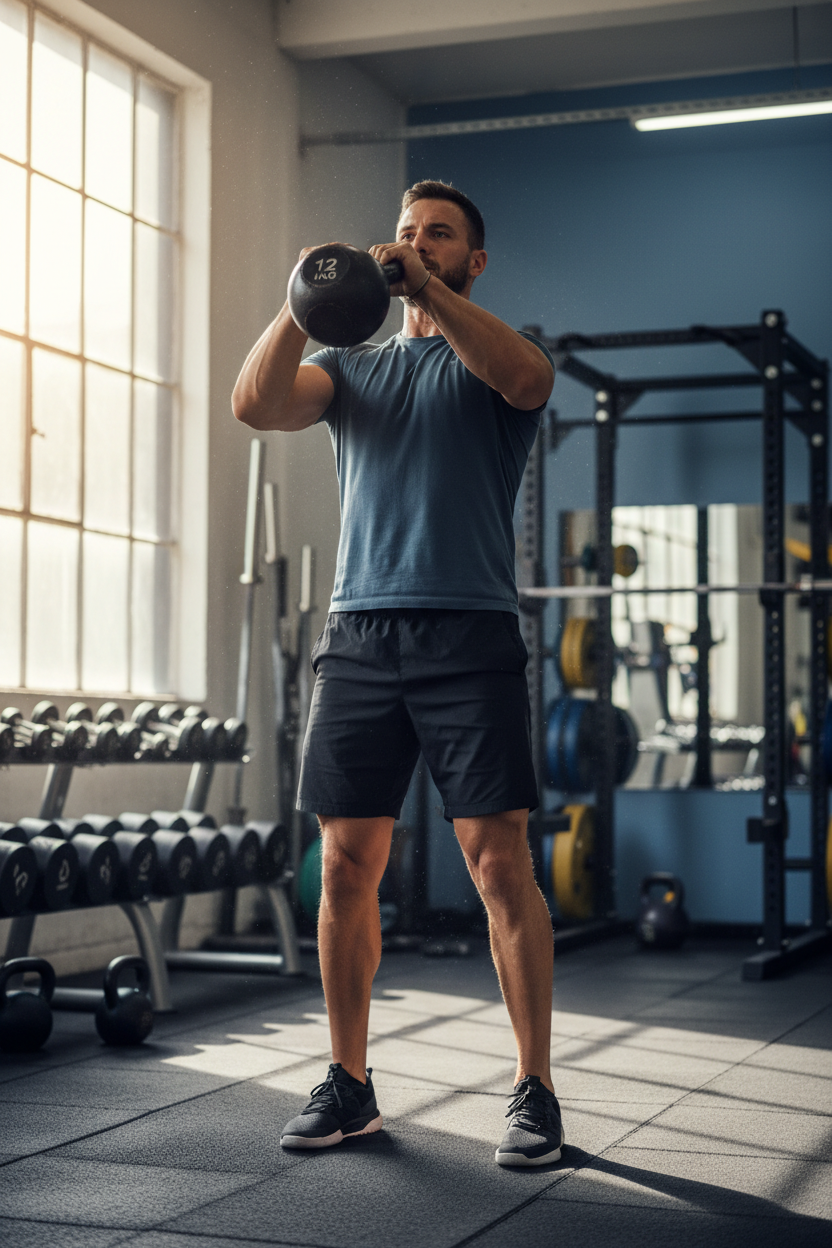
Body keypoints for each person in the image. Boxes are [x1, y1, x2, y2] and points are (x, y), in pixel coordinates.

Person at [232, 180, 561, 1167]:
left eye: (439, 236)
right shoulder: (348, 370)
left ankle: (534, 1086)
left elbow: (527, 381)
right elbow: (254, 405)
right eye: (407, 231)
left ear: (473, 259)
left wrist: (425, 289)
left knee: (499, 866)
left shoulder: (501, 356)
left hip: (469, 636)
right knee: (343, 867)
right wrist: (308, 292)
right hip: (361, 638)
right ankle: (348, 1082)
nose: (414, 245)